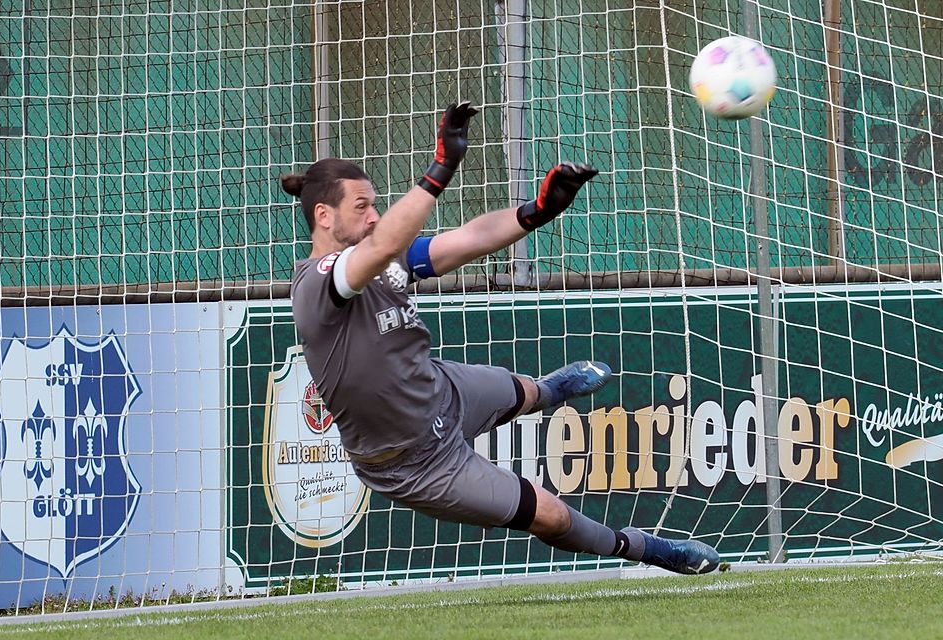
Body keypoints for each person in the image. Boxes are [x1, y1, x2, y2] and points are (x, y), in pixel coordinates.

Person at [283, 101, 719, 575]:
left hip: (440, 390)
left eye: (375, 204)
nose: (374, 216)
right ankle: (648, 549)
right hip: (412, 461)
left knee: (528, 391)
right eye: (362, 206)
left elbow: (471, 238)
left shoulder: (388, 259)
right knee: (549, 515)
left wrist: (538, 211)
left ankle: (552, 389)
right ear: (323, 216)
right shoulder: (317, 284)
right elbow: (384, 241)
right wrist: (442, 166)